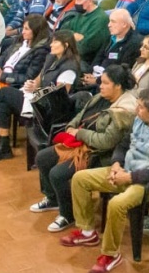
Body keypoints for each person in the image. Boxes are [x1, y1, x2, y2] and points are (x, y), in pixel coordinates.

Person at [60, 87, 149, 273]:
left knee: (117, 204)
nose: (137, 110)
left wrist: (130, 177)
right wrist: (117, 164)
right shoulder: (140, 120)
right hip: (124, 171)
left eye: (141, 107)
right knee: (80, 178)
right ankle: (87, 233)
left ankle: (111, 255)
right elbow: (123, 144)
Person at [32, 65, 138, 232]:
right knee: (42, 158)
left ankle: (68, 214)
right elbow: (81, 116)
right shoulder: (99, 97)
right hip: (80, 145)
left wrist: (79, 133)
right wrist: (71, 126)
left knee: (57, 174)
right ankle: (53, 199)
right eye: (101, 82)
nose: (100, 86)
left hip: (98, 153)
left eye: (105, 83)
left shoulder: (124, 111)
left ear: (118, 86)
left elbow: (106, 142)